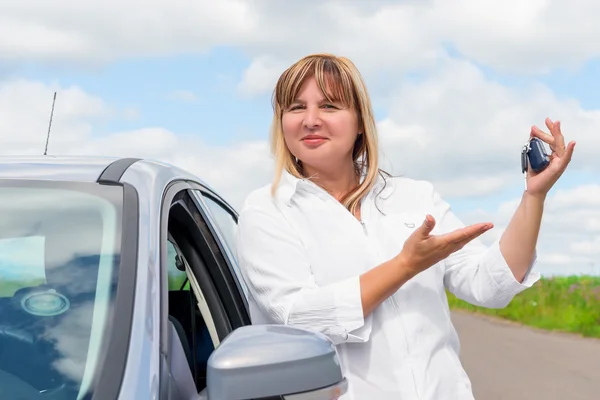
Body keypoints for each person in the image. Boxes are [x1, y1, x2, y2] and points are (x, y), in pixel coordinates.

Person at [234, 53, 576, 400]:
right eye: (295, 107)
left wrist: (534, 197)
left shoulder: (415, 196)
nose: (310, 120)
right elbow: (300, 321)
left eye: (329, 106)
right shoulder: (266, 212)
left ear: (360, 122)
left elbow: (490, 285)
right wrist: (405, 265)